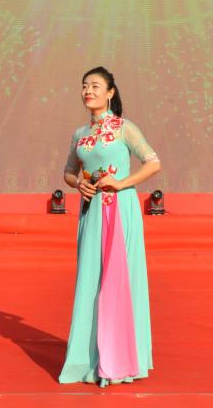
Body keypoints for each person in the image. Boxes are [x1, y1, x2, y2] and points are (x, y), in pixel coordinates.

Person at [58, 66, 161, 386]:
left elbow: (153, 162)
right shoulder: (80, 134)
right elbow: (69, 172)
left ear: (110, 93)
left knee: (121, 280)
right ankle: (89, 360)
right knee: (90, 280)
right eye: (84, 86)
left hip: (121, 208)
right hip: (91, 212)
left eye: (95, 86)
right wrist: (79, 184)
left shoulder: (124, 128)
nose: (88, 91)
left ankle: (123, 358)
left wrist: (121, 183)